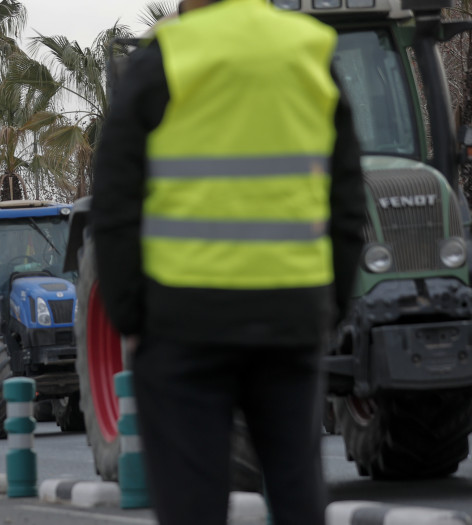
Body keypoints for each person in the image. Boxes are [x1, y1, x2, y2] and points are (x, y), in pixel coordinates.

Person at [88, 1, 366, 524]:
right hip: (291, 314)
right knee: (297, 489)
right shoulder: (309, 49)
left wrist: (131, 317)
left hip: (184, 321)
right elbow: (348, 198)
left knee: (193, 503)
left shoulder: (164, 57)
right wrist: (330, 304)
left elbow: (115, 201)